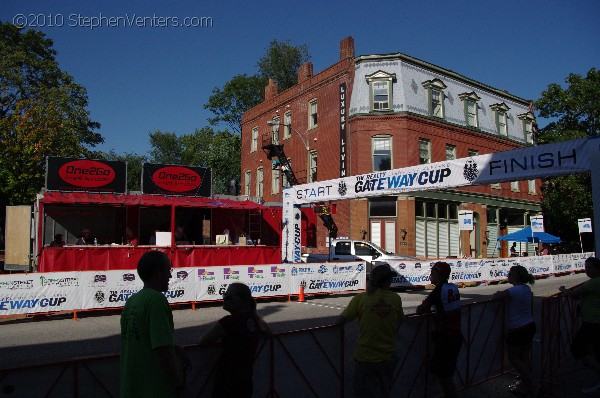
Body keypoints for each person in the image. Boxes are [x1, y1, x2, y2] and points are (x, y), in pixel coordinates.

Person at [120, 251, 187, 398]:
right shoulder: (156, 300)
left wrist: (174, 348)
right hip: (154, 388)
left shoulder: (132, 301)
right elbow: (161, 350)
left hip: (131, 387)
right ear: (157, 273)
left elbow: (143, 340)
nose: (170, 276)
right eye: (168, 270)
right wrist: (179, 385)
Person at [334, 263, 405, 398]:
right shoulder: (395, 299)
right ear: (386, 282)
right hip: (388, 356)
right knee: (384, 391)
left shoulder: (361, 299)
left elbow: (341, 319)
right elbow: (400, 319)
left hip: (365, 357)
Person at [199, 282, 271, 398]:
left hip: (227, 381)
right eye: (225, 295)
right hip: (245, 380)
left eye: (229, 297)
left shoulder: (229, 322)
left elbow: (203, 340)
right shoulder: (253, 320)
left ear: (243, 301)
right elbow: (268, 331)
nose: (225, 299)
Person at [416, 262, 462, 398]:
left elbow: (420, 310)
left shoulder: (438, 290)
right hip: (455, 334)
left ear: (438, 274)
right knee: (446, 374)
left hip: (446, 337)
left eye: (432, 273)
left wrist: (426, 305)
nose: (430, 275)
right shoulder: (453, 287)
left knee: (445, 376)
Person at [492, 265, 536, 394]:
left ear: (516, 276)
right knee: (524, 356)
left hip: (518, 328)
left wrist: (497, 294)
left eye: (510, 274)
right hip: (529, 324)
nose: (508, 275)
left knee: (514, 358)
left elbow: (497, 296)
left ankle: (530, 382)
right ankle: (525, 383)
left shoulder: (515, 290)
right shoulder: (526, 288)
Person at [559, 257, 600, 394]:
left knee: (577, 348)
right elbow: (579, 295)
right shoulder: (593, 282)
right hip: (592, 320)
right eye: (586, 268)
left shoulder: (594, 282)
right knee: (593, 349)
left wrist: (564, 290)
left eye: (590, 268)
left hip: (592, 321)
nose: (587, 270)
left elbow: (574, 294)